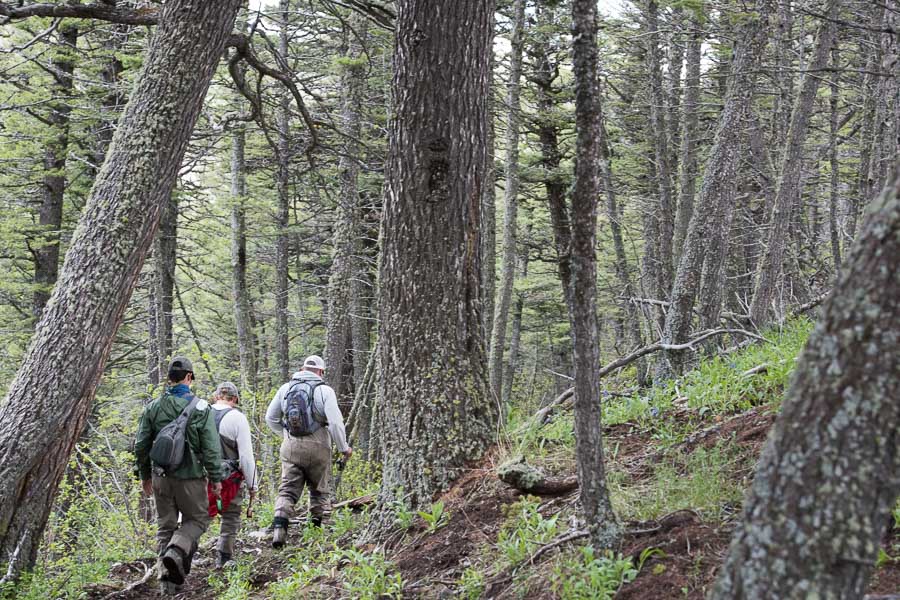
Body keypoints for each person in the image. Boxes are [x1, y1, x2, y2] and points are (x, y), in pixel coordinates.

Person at [134, 357, 223, 595]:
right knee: (197, 520)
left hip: (161, 476)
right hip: (191, 478)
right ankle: (175, 552)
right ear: (189, 377)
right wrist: (216, 478)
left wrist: (145, 476)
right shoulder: (202, 408)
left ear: (169, 379)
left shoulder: (153, 407)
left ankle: (167, 585)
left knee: (165, 527)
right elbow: (211, 447)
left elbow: (141, 445)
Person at [265, 354, 352, 547]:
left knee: (287, 489)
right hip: (319, 445)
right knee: (319, 490)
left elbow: (270, 418)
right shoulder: (325, 391)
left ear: (302, 369)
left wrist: (286, 435)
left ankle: (279, 528)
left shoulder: (285, 388)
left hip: (291, 446)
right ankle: (314, 534)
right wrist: (343, 448)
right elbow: (336, 423)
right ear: (321, 372)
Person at [210, 381, 258, 568]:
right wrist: (253, 485)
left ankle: (184, 552)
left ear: (216, 397)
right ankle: (224, 557)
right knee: (230, 516)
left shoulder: (200, 413)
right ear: (235, 399)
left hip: (198, 477)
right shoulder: (237, 418)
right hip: (228, 479)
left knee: (196, 517)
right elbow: (246, 457)